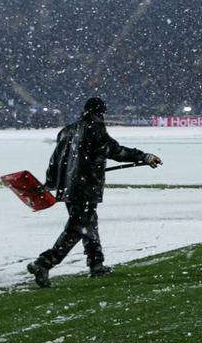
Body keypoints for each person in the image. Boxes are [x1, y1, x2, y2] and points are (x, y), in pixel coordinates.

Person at [26, 97, 162, 288]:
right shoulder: (95, 129)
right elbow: (115, 151)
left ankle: (96, 263)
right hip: (84, 188)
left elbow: (55, 160)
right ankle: (44, 263)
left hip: (68, 188)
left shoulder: (67, 130)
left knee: (88, 223)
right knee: (77, 228)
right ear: (100, 112)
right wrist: (144, 156)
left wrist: (50, 182)